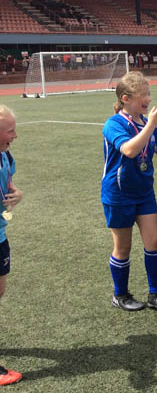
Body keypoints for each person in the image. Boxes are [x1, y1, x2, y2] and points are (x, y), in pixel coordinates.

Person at [102, 72, 157, 312]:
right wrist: (152, 124)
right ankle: (120, 294)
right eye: (144, 95)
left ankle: (155, 294)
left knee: (154, 243)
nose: (149, 100)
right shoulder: (114, 124)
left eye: (149, 94)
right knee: (123, 247)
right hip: (118, 194)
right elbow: (130, 150)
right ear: (125, 98)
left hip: (144, 193)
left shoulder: (144, 122)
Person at [0, 106, 23, 386]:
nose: (15, 135)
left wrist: (17, 193)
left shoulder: (5, 155)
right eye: (9, 131)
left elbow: (9, 182)